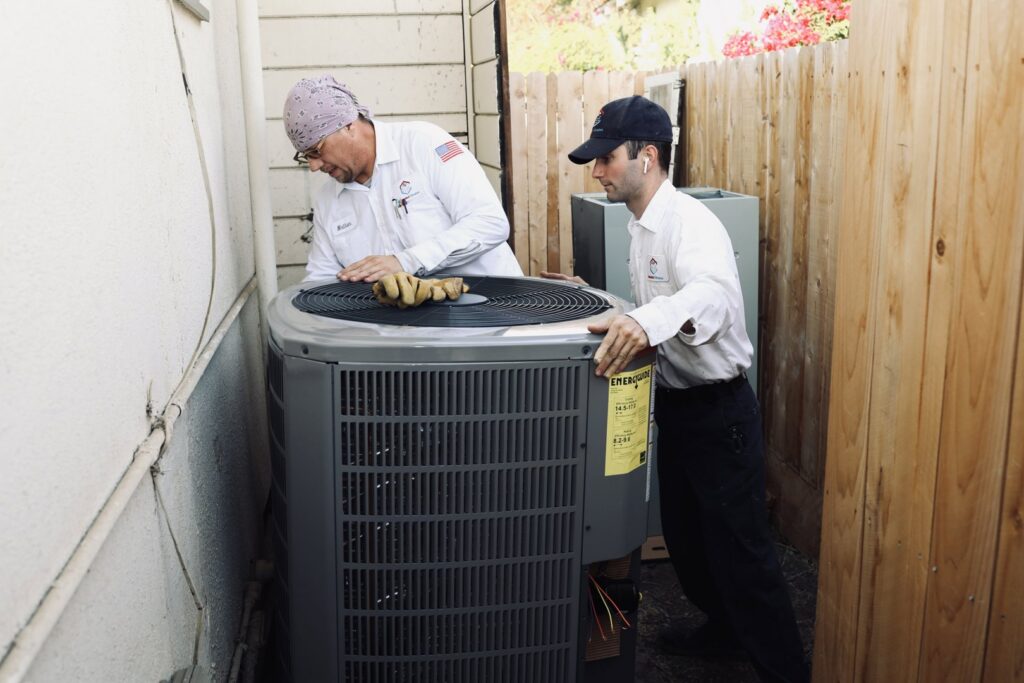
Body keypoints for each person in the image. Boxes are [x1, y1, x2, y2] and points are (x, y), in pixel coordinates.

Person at [543, 96, 808, 683]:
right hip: (681, 409)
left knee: (744, 559)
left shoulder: (692, 223)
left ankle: (784, 668)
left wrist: (644, 323)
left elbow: (709, 295)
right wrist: (598, 297)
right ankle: (723, 632)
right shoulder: (641, 227)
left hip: (722, 415)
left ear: (647, 157)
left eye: (606, 158)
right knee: (689, 545)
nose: (597, 171)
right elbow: (660, 307)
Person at [282, 75, 523, 283]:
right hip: (409, 334)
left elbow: (490, 222)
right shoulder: (328, 200)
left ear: (348, 126)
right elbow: (322, 279)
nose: (313, 166)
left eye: (317, 150)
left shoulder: (426, 143)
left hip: (489, 318)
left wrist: (405, 261)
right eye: (306, 156)